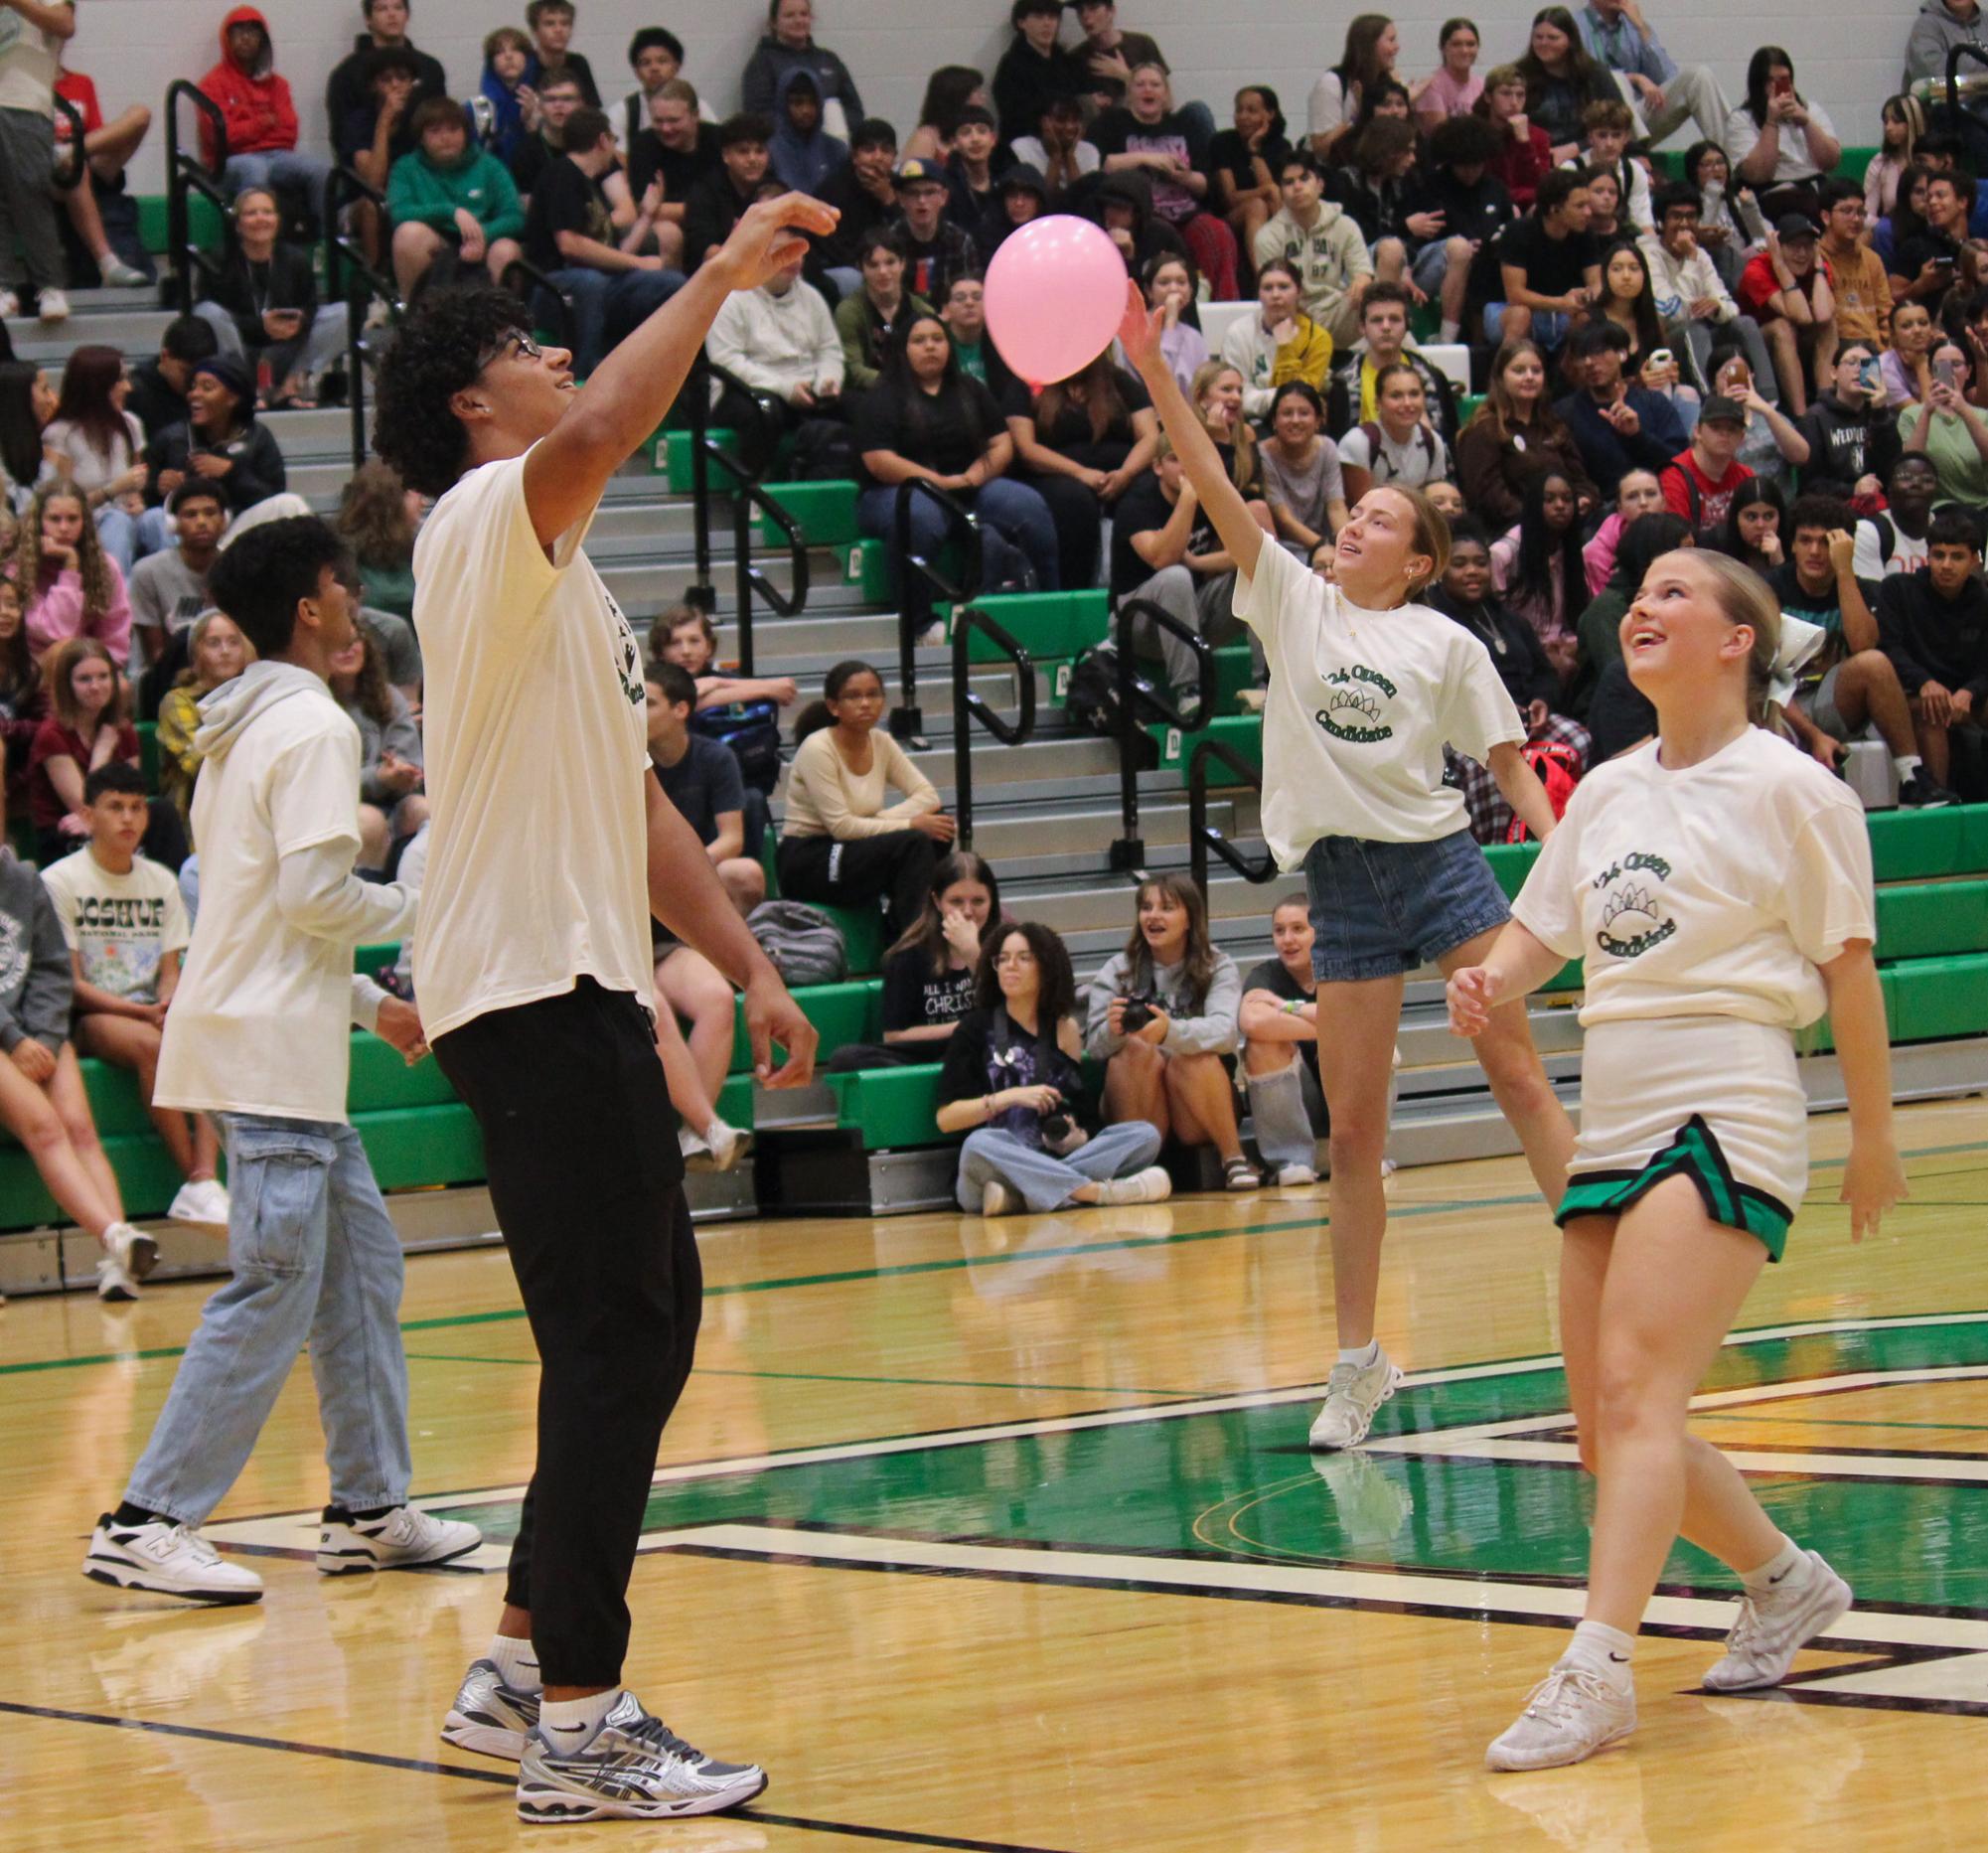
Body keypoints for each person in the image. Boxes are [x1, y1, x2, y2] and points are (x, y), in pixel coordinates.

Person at [372, 191, 829, 1807]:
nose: (556, 353)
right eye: (520, 345)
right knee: (626, 1330)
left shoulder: (570, 590)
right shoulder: (484, 516)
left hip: (577, 983)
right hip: (526, 990)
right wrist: (712, 274)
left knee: (632, 1330)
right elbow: (618, 414)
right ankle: (581, 1719)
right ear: (468, 408)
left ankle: (516, 1667)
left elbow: (641, 818)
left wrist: (754, 960)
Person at [1452, 544, 1899, 1772]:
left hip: (1730, 1096)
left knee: (1643, 1389)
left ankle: (1598, 1666)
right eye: (1636, 592)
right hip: (1620, 1103)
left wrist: (1872, 1134)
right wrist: (1491, 978)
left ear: (1737, 638)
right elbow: (1545, 932)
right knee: (1607, 1425)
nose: (1640, 607)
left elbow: (1848, 967)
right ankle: (1786, 1579)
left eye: (1672, 592)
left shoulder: (1795, 790)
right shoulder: (1606, 789)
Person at [1117, 274, 1575, 1443]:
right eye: (1353, 515)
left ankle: (1613, 1288)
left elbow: (1513, 768)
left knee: (1520, 1078)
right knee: (1355, 1133)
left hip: (1443, 866)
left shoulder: (1447, 641)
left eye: (1378, 524)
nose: (1353, 524)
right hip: (1343, 887)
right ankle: (1359, 1360)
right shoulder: (1291, 598)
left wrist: (1567, 858)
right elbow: (1215, 484)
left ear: (1416, 560)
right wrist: (1154, 366)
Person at [79, 513, 478, 1603]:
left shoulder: (243, 720)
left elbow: (261, 914)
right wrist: (421, 907)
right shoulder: (307, 726)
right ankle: (149, 1516)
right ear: (312, 604)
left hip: (278, 1042)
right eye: (345, 586)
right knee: (273, 1285)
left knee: (360, 1273)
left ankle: (368, 1506)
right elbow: (312, 897)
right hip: (270, 1063)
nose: (358, 602)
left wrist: (363, 1004)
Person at [42, 760, 228, 1227]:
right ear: (87, 816)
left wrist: (166, 1005)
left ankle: (205, 1180)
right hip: (91, 1016)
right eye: (115, 808)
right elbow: (70, 983)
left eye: (137, 808)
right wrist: (143, 1013)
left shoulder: (160, 881)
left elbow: (171, 969)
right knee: (154, 1045)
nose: (128, 818)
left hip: (150, 1010)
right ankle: (197, 1180)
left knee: (200, 1037)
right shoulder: (60, 881)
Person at [0, 820, 151, 1297]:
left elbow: (52, 969)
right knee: (44, 1126)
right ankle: (115, 1235)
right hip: (4, 1037)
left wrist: (41, 1036)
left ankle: (118, 1267)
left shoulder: (25, 881)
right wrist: (13, 1040)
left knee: (80, 1129)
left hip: (38, 1031)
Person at [942, 920, 1167, 1214]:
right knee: (980, 1142)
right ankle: (1093, 1192)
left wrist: (1078, 1137)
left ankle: (1023, 1197)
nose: (1011, 966)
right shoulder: (973, 1029)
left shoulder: (1065, 1029)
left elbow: (1081, 1111)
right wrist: (1009, 1097)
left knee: (1144, 1135)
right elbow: (946, 1119)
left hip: (1051, 1160)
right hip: (990, 1171)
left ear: (1046, 968)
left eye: (1024, 958)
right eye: (1003, 959)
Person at [852, 313, 1059, 609]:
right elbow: (878, 460)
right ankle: (919, 620)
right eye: (919, 341)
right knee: (920, 516)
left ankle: (1049, 603)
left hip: (970, 485)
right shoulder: (882, 397)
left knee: (1028, 506)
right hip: (899, 491)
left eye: (938, 339)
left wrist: (975, 474)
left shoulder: (970, 388)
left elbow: (1001, 442)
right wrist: (936, 483)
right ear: (902, 350)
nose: (930, 347)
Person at [1767, 495, 1955, 804]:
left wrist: (1844, 572)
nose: (1815, 551)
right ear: (1793, 545)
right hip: (1782, 703)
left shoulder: (1860, 587)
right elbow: (1771, 680)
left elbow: (1862, 646)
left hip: (1831, 698)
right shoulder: (1772, 587)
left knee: (1874, 663)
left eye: (1826, 542)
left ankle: (1912, 777)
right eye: (1806, 540)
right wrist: (1813, 736)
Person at [1084, 873, 1259, 1192]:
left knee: (1191, 1057)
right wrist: (1114, 1031)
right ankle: (1136, 1167)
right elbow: (1094, 1049)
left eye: (1166, 908)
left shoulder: (1217, 965)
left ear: (1190, 917)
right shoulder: (1118, 968)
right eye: (1147, 907)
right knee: (1136, 1050)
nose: (1153, 916)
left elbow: (1225, 1033)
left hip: (1196, 1104)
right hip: (1139, 1101)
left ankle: (1234, 1158)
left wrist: (1169, 1033)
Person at [1435, 519, 1591, 840]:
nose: (1472, 572)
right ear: (1441, 571)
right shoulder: (1435, 622)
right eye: (1460, 564)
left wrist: (1541, 702)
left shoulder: (1509, 619)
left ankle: (1575, 834)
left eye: (1480, 563)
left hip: (1527, 719)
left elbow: (1543, 672)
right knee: (1484, 772)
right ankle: (1495, 846)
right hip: (1470, 730)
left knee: (1578, 737)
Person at [778, 659, 953, 937]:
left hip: (854, 847)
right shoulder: (817, 748)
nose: (865, 703)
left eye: (873, 694)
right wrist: (909, 823)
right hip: (809, 858)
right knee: (915, 840)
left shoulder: (881, 741)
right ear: (834, 706)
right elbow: (842, 827)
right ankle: (916, 945)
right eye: (854, 696)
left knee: (940, 830)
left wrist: (882, 819)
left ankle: (901, 930)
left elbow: (928, 797)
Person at [523, 105, 680, 379]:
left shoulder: (589, 185)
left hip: (597, 282)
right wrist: (640, 262)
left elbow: (611, 254)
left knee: (670, 284)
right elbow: (570, 245)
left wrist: (646, 216)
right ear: (603, 140)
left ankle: (651, 372)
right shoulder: (562, 174)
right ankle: (584, 376)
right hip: (552, 286)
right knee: (590, 282)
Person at [1113, 434, 1265, 704]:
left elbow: (1252, 553)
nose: (1184, 466)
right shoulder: (1137, 501)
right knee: (1175, 577)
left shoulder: (1211, 498)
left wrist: (1197, 562)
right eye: (1174, 459)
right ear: (1158, 466)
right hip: (1136, 623)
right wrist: (1188, 499)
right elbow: (1162, 559)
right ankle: (1189, 691)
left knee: (1256, 577)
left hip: (1191, 614)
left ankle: (1267, 685)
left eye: (1189, 458)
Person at [1003, 351, 1156, 590]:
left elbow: (1150, 436)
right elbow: (1026, 448)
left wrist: (1126, 474)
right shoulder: (1026, 384)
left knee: (1147, 489)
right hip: (1055, 474)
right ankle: (1077, 591)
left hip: (1122, 472)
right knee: (1075, 501)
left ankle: (1139, 586)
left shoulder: (1119, 380)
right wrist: (1079, 472)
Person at [1091, 63, 1237, 300]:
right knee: (1162, 234)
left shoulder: (1185, 125)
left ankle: (1223, 306)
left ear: (1166, 93)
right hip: (1142, 218)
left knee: (1217, 233)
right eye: (1140, 85)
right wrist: (1148, 158)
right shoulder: (1113, 123)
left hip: (1185, 212)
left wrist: (1183, 176)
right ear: (1130, 93)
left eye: (1155, 85)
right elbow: (1103, 165)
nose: (1148, 90)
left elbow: (1204, 184)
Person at [195, 188, 349, 410]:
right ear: (237, 224)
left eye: (267, 212)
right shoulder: (219, 260)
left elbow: (310, 307)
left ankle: (292, 385)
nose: (260, 219)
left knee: (343, 313)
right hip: (240, 349)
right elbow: (209, 318)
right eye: (251, 213)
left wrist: (298, 323)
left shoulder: (295, 259)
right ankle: (241, 385)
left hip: (287, 351)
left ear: (277, 220)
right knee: (207, 312)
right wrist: (262, 326)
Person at [705, 245, 843, 472]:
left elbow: (829, 349)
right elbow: (727, 361)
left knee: (860, 407)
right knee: (765, 409)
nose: (792, 259)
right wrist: (785, 388)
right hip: (742, 390)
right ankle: (752, 494)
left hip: (806, 388)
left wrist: (827, 381)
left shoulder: (812, 296)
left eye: (798, 251)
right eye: (783, 251)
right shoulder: (731, 299)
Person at [645, 662, 763, 918]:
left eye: (649, 704)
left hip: (700, 865)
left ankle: (721, 955)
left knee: (745, 874)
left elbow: (731, 839)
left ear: (680, 709)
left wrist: (685, 868)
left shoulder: (717, 757)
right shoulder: (627, 761)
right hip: (646, 871)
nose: (638, 713)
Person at [1879, 510, 1988, 787]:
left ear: (1975, 560)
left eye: (1957, 557)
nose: (1946, 565)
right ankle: (1936, 800)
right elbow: (1890, 648)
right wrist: (1924, 682)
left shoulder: (1984, 600)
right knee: (1933, 710)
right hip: (1913, 694)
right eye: (1939, 555)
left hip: (1968, 695)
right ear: (1927, 556)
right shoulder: (1898, 589)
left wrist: (1970, 692)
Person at [1239, 896, 1341, 1186]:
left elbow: (1359, 1021)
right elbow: (1254, 1021)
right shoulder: (1265, 974)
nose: (1287, 939)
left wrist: (1285, 1007)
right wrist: (1330, 1026)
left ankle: (1368, 1153)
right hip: (1299, 1098)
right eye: (1279, 930)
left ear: (1319, 932)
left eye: (1298, 928)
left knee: (1372, 1048)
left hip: (1345, 1095)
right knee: (1260, 1044)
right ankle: (1291, 1160)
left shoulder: (1342, 969)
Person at [1640, 183, 1776, 399]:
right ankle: (1711, 401)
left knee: (1745, 324)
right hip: (1665, 340)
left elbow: (1730, 305)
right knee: (1694, 330)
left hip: (1704, 331)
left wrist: (1717, 307)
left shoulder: (1700, 254)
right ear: (1661, 221)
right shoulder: (1648, 254)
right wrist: (1691, 261)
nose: (1684, 223)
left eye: (1691, 216)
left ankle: (1769, 401)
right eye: (1676, 216)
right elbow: (1673, 314)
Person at [198, 8, 331, 218]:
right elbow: (221, 138)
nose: (246, 38)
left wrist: (246, 126)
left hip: (277, 156)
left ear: (263, 39)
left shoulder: (278, 84)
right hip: (230, 162)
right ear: (227, 38)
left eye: (253, 32)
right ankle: (253, 246)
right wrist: (262, 123)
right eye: (238, 32)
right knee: (254, 168)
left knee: (321, 170)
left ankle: (326, 242)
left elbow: (289, 132)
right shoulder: (212, 85)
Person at [139, 356, 288, 542]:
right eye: (193, 387)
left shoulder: (258, 437)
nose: (194, 394)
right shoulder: (170, 438)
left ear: (232, 398)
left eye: (207, 388)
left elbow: (274, 498)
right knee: (154, 517)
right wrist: (158, 489)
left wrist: (232, 473)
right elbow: (141, 501)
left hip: (240, 533)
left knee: (290, 503)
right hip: (185, 539)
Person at [387, 97, 527, 297]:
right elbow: (399, 213)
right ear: (421, 138)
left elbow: (514, 216)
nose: (446, 137)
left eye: (453, 129)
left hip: (484, 239)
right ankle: (415, 318)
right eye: (435, 131)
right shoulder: (406, 167)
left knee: (507, 250)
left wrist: (481, 235)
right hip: (436, 240)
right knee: (408, 234)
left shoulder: (490, 165)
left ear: (465, 133)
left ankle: (500, 319)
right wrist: (451, 212)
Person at [1455, 338, 1598, 532]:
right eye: (1519, 371)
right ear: (1500, 378)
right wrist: (1538, 517)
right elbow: (1488, 496)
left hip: (1562, 526)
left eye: (1536, 371)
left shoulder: (1554, 425)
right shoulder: (1484, 430)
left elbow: (1580, 479)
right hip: (1509, 531)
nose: (1529, 377)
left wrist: (1582, 498)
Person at [41, 344, 145, 574]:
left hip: (127, 519)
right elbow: (58, 506)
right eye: (120, 381)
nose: (128, 387)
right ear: (98, 387)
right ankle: (114, 596)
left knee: (157, 519)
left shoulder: (130, 424)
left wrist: (136, 500)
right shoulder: (61, 434)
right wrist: (111, 490)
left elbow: (134, 490)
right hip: (86, 525)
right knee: (116, 520)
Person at [1556, 320, 1687, 502]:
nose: (1589, 362)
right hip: (1601, 511)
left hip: (1659, 503)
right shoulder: (1565, 412)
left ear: (1622, 354)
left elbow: (1680, 464)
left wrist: (1637, 436)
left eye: (1598, 352)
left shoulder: (1654, 403)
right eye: (1581, 356)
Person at [0, 0, 74, 323]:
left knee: (30, 190)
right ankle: (2, 286)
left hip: (24, 100)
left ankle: (49, 285)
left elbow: (65, 24)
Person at [327, 628, 423, 871]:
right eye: (339, 643)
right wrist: (378, 777)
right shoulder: (316, 702)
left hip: (391, 800)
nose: (349, 650)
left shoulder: (388, 696)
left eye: (355, 642)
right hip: (338, 803)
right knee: (369, 821)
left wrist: (403, 772)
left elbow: (408, 756)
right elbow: (325, 781)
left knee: (424, 810)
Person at [1255, 150, 1373, 349]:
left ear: (1320, 185)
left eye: (1304, 179)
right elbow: (1274, 293)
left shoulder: (1344, 225)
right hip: (1294, 318)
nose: (1297, 187)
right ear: (1281, 192)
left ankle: (1419, 373)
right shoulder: (1268, 236)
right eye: (1289, 183)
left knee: (1383, 312)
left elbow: (1363, 273)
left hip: (1338, 310)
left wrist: (1362, 280)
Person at [1577, 0, 1727, 145]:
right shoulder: (1576, 25)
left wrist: (1642, 28)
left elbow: (1667, 77)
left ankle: (1731, 161)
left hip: (1638, 115)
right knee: (1618, 79)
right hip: (1597, 118)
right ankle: (1637, 151)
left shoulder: (1634, 25)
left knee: (1699, 76)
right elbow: (1585, 78)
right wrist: (1635, 78)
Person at [132, 483, 226, 714]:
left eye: (210, 513)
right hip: (170, 675)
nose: (201, 521)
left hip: (228, 671)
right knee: (186, 638)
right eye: (191, 514)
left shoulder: (237, 567)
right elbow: (156, 653)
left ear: (225, 520)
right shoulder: (148, 571)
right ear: (173, 524)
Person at [1325, 281, 1459, 442]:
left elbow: (1451, 444)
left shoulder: (1434, 379)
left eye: (1394, 319)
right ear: (1362, 327)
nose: (1386, 327)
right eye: (1377, 320)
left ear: (1407, 325)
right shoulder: (1341, 385)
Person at [12, 482, 129, 665]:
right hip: (30, 666)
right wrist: (71, 564)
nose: (64, 528)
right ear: (39, 522)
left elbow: (115, 637)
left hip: (84, 667)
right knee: (61, 652)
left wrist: (100, 669)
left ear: (84, 522)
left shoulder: (105, 566)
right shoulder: (17, 569)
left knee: (121, 687)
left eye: (73, 519)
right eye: (54, 519)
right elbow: (56, 632)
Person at [1490, 467, 1589, 683]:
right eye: (1550, 499)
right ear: (1535, 504)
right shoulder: (1504, 554)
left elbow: (1575, 613)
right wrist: (1538, 649)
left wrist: (1571, 644)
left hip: (1561, 642)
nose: (1560, 506)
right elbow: (1496, 618)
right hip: (1519, 648)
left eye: (1566, 499)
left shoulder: (1570, 548)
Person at [1490, 167, 1601, 353]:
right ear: (1554, 209)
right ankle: (1502, 376)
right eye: (1580, 206)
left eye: (1588, 205)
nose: (1589, 212)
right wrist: (1561, 303)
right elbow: (1515, 295)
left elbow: (1596, 282)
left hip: (1562, 312)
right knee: (1520, 315)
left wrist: (1586, 297)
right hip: (1508, 309)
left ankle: (1572, 374)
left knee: (1586, 317)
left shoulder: (1585, 234)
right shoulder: (1518, 232)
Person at [156, 607, 248, 828]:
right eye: (214, 643)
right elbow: (201, 762)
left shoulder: (254, 695)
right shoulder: (177, 701)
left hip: (246, 806)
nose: (225, 651)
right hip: (195, 815)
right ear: (196, 653)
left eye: (234, 642)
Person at [1725, 48, 1840, 221]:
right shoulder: (1741, 119)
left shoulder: (1812, 110)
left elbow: (1831, 162)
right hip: (1771, 193)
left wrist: (1806, 122)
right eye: (1771, 81)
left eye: (1783, 80)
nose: (1777, 88)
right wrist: (1771, 122)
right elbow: (1759, 174)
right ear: (1758, 84)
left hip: (1814, 186)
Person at [624, 78, 718, 272]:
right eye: (658, 121)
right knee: (669, 232)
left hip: (714, 223)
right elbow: (645, 208)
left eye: (674, 120)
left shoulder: (719, 140)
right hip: (670, 226)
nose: (666, 129)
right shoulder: (644, 145)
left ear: (695, 116)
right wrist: (707, 211)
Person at [1221, 260, 1331, 420]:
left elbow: (1303, 399)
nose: (1275, 295)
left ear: (1299, 292)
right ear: (1259, 294)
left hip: (1301, 420)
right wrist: (1276, 398)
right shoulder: (1237, 333)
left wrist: (1285, 347)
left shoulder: (1318, 338)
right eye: (1267, 288)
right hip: (1250, 420)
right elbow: (1235, 395)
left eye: (1283, 287)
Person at [325, 0, 445, 145]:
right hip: (368, 159)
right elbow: (341, 133)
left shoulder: (429, 68)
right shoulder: (347, 73)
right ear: (368, 19)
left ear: (407, 15)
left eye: (398, 7)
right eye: (382, 9)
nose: (392, 14)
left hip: (422, 160)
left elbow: (441, 118)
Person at [1795, 343, 1902, 497]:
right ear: (1833, 372)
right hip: (1832, 508)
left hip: (1879, 504)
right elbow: (1810, 483)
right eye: (1851, 362)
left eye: (1866, 364)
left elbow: (1893, 469)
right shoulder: (1815, 418)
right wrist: (1852, 490)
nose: (1859, 369)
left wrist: (1880, 413)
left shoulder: (1884, 414)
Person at [1338, 362, 1453, 504]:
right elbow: (1360, 508)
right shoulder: (1358, 442)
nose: (1407, 403)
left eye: (1414, 394)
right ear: (1377, 403)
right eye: (1396, 396)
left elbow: (1433, 504)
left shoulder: (1433, 442)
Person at [1258, 382, 1348, 560]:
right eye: (1287, 413)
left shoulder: (1328, 448)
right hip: (1282, 547)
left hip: (1324, 542)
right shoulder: (1262, 454)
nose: (1295, 420)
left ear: (1318, 421)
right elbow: (1283, 519)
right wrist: (1322, 547)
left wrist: (1346, 545)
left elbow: (1336, 507)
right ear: (1274, 421)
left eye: (1304, 413)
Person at [741, 0, 862, 132]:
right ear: (774, 23)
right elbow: (758, 115)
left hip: (832, 145)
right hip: (783, 148)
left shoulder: (829, 60)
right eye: (789, 15)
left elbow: (854, 109)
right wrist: (803, 129)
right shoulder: (762, 63)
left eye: (804, 14)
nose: (798, 20)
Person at [834, 229, 930, 393]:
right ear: (860, 268)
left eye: (890, 262)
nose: (883, 272)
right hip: (868, 395)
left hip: (917, 393)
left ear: (903, 264)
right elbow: (852, 369)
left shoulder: (923, 312)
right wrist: (897, 386)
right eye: (873, 265)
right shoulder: (848, 312)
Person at [1517, 6, 1617, 160]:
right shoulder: (1519, 74)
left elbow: (1616, 121)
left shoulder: (1595, 74)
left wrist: (1578, 147)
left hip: (1588, 153)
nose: (1544, 43)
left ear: (1570, 41)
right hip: (1535, 156)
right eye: (1538, 37)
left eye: (1553, 38)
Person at [1899, 336, 1988, 507]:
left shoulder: (1983, 416)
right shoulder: (1911, 415)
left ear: (1968, 371)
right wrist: (1927, 412)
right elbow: (1910, 465)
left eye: (1956, 364)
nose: (1950, 371)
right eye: (1942, 366)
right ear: (1931, 372)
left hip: (1982, 506)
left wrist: (1963, 410)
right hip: (1938, 508)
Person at [808, 112, 892, 294]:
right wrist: (866, 266)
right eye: (869, 150)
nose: (878, 157)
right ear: (854, 156)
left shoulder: (898, 186)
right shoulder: (833, 189)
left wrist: (888, 199)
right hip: (837, 266)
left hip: (883, 262)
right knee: (854, 279)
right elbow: (830, 245)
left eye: (886, 150)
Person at [681, 113, 773, 273]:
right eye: (743, 152)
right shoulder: (704, 192)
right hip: (716, 278)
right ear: (726, 156)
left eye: (760, 151)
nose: (752, 159)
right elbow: (707, 251)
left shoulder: (775, 189)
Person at [1307, 13, 1403, 165]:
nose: (1397, 47)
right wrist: (1356, 118)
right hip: (1335, 173)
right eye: (1391, 40)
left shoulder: (1388, 81)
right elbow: (1321, 149)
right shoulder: (1332, 83)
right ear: (1370, 44)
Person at [1208, 84, 1290, 260]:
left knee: (1269, 199)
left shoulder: (1281, 146)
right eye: (1239, 110)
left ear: (1270, 114)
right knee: (1257, 204)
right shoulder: (1222, 142)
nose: (1243, 116)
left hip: (1271, 212)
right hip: (1229, 216)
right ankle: (1262, 274)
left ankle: (1288, 260)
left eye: (1251, 111)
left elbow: (1274, 196)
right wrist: (1266, 190)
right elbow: (1229, 198)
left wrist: (1254, 151)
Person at [1814, 181, 1894, 359]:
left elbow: (1886, 312)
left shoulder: (1872, 259)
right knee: (1862, 364)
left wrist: (1889, 350)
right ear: (1826, 217)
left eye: (1860, 212)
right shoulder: (1816, 257)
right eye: (1846, 211)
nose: (1856, 219)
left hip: (1874, 346)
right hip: (1837, 347)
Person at [994, 0, 1084, 150]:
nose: (1047, 24)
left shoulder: (1066, 60)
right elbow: (1015, 115)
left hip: (1069, 141)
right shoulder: (1011, 65)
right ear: (1022, 22)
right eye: (1039, 17)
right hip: (1028, 146)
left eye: (1052, 17)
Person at [1660, 391, 1755, 535]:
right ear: (1697, 432)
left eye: (1732, 429)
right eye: (1715, 427)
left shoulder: (1746, 476)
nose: (1724, 434)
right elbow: (1676, 541)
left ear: (1741, 438)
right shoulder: (1674, 476)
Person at [889, 157, 978, 305]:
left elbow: (970, 290)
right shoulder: (890, 242)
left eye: (930, 192)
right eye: (913, 193)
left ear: (943, 197)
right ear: (901, 199)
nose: (922, 200)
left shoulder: (960, 240)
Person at [124, 316, 220, 444]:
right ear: (165, 356)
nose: (193, 381)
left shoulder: (217, 390)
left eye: (200, 373)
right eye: (185, 371)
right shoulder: (134, 393)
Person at [1894, 169, 1972, 318]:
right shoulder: (1914, 246)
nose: (1932, 202)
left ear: (1962, 202)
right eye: (1929, 197)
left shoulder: (1978, 247)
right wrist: (1921, 286)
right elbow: (1891, 301)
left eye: (1940, 196)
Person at [1477, 62, 1554, 210]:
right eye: (1506, 94)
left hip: (1528, 209)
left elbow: (1542, 187)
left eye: (1520, 95)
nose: (1514, 102)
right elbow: (1482, 185)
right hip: (1485, 207)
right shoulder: (1477, 133)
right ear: (1488, 97)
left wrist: (1524, 143)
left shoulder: (1539, 135)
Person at [1581, 464, 1664, 595]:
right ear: (1619, 507)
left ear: (1664, 501)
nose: (1643, 502)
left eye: (1651, 494)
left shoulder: (1677, 535)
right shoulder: (1596, 553)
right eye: (1632, 497)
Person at [1857, 453, 1943, 579]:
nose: (1916, 484)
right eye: (1906, 478)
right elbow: (1872, 596)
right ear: (1889, 488)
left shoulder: (1947, 532)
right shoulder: (1868, 532)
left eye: (1926, 480)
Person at [619, 27, 706, 149]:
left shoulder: (699, 107)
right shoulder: (622, 111)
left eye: (662, 61)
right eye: (645, 63)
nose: (654, 68)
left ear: (677, 66)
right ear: (636, 72)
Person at [768, 68, 845, 197]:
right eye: (797, 103)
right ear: (783, 105)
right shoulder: (770, 150)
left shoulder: (836, 149)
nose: (806, 110)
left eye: (812, 103)